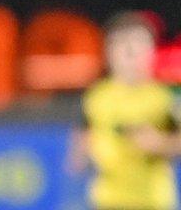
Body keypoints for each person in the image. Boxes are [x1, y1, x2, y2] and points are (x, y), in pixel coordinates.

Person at [68, 11, 181, 210]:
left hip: (152, 201)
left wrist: (161, 144)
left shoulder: (165, 96)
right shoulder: (97, 96)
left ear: (151, 49)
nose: (129, 52)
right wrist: (81, 154)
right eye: (121, 44)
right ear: (108, 51)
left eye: (137, 45)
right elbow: (83, 136)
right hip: (108, 199)